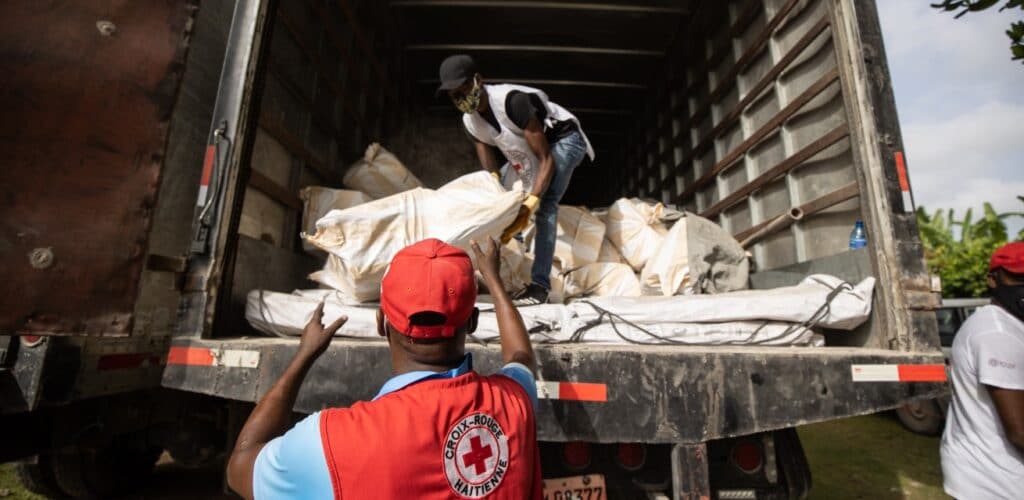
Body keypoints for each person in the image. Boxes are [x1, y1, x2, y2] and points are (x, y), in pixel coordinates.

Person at [225, 238, 542, 499]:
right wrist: (495, 282)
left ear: (380, 322)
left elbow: (240, 465)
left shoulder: (333, 442)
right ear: (472, 322)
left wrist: (304, 355)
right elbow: (520, 356)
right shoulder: (514, 402)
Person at [437, 54, 595, 306]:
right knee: (506, 198)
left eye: (464, 89)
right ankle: (513, 258)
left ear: (478, 80)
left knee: (546, 205)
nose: (461, 98)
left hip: (563, 141)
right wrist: (498, 197)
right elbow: (488, 160)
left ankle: (539, 287)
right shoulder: (470, 121)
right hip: (530, 148)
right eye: (454, 95)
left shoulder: (513, 102)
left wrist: (530, 204)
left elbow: (546, 160)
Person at [940, 241, 1024, 499]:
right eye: (1018, 276)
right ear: (992, 280)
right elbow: (1019, 432)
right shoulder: (996, 333)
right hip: (994, 482)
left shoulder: (1010, 325)